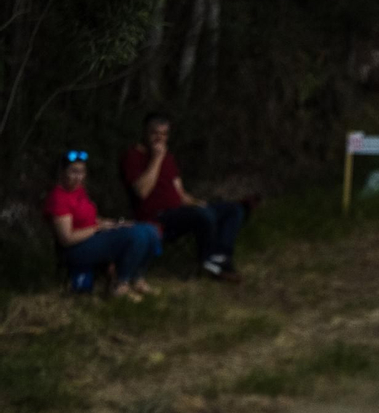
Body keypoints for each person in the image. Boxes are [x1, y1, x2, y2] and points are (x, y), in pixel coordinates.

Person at [120, 113, 252, 282]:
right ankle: (209, 261)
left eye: (164, 134)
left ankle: (220, 258)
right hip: (158, 216)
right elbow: (142, 192)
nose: (159, 138)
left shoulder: (169, 158)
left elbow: (180, 193)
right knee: (202, 216)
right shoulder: (133, 156)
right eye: (154, 133)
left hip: (181, 211)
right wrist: (156, 159)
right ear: (144, 132)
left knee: (233, 210)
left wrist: (198, 203)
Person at [45, 151, 162, 301]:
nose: (78, 177)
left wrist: (114, 224)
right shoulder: (59, 198)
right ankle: (121, 284)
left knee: (149, 230)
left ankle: (138, 278)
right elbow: (66, 238)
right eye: (73, 172)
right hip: (77, 248)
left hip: (93, 236)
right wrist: (96, 228)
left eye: (81, 172)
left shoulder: (79, 191)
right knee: (135, 236)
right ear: (62, 172)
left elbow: (90, 219)